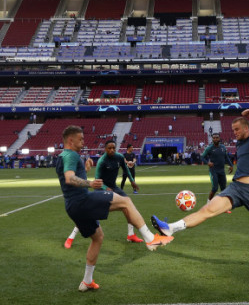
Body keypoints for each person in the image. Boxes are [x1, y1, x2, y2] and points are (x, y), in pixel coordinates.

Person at [151, 110, 249, 271]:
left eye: (236, 129)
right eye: (233, 130)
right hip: (236, 188)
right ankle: (170, 228)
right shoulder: (239, 143)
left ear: (246, 128)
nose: (234, 133)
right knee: (207, 210)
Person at [56, 125, 171, 292]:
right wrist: (89, 182)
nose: (83, 141)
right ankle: (149, 238)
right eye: (80, 139)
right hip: (82, 201)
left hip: (72, 207)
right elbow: (69, 178)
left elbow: (69, 176)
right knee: (126, 202)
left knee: (98, 237)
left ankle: (86, 281)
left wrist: (86, 169)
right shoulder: (72, 155)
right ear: (71, 140)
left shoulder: (62, 156)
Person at [66, 140, 143, 246]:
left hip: (113, 187)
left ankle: (131, 235)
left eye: (113, 148)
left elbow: (126, 169)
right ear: (105, 149)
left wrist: (132, 181)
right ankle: (71, 237)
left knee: (128, 205)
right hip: (101, 188)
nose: (112, 150)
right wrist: (105, 188)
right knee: (92, 214)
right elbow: (97, 178)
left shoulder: (119, 157)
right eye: (109, 148)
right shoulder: (102, 160)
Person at [201, 133, 234, 206]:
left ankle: (223, 205)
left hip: (222, 171)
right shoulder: (209, 148)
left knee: (224, 189)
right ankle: (208, 203)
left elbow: (226, 157)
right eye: (214, 138)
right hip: (213, 171)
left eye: (217, 138)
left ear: (219, 139)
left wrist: (231, 165)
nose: (215, 139)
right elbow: (202, 157)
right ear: (212, 139)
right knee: (215, 188)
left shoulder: (223, 147)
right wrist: (208, 162)